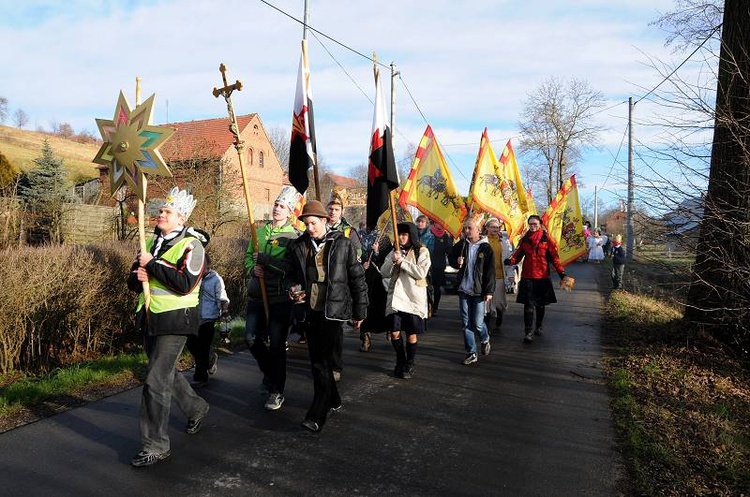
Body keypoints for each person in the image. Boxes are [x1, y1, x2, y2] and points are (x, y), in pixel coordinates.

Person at [127, 186, 209, 468]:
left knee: (155, 380)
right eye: (161, 210)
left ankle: (156, 445)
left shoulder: (192, 245)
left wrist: (151, 266)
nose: (160, 214)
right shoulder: (150, 244)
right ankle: (197, 408)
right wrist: (138, 275)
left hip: (176, 320)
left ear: (181, 218)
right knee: (166, 374)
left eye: (167, 211)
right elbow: (132, 283)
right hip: (150, 317)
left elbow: (186, 282)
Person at [286, 200, 368, 433]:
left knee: (321, 362)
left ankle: (317, 414)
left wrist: (360, 311)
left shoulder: (342, 243)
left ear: (324, 221)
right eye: (306, 223)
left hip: (334, 310)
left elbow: (356, 278)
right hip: (309, 309)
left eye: (313, 223)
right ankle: (333, 399)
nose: (310, 227)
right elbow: (291, 275)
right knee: (317, 359)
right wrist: (292, 288)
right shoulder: (298, 246)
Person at [244, 185, 301, 411]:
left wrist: (267, 262)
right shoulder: (258, 232)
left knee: (277, 345)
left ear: (289, 212)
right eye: (276, 204)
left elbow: (291, 268)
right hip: (257, 295)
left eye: (282, 206)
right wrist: (252, 269)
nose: (277, 208)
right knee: (250, 338)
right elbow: (249, 257)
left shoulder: (294, 237)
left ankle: (277, 390)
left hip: (279, 297)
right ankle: (270, 372)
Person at [504, 215, 568, 344]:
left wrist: (562, 273)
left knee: (540, 305)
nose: (533, 227)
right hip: (528, 276)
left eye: (535, 224)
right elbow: (517, 254)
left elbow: (554, 257)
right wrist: (510, 261)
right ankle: (528, 332)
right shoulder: (525, 239)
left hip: (542, 276)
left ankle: (539, 325)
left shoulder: (547, 239)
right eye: (531, 224)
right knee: (528, 305)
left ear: (540, 225)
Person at [380, 222, 431, 379]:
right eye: (399, 234)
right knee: (395, 332)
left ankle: (409, 363)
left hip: (413, 298)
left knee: (411, 332)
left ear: (411, 235)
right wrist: (393, 260)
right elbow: (384, 272)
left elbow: (421, 272)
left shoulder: (421, 251)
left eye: (404, 234)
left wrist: (403, 262)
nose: (401, 237)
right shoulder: (395, 251)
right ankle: (400, 359)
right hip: (396, 299)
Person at [448, 219, 495, 365]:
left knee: (478, 323)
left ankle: (485, 338)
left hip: (479, 292)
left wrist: (489, 291)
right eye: (465, 228)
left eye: (470, 228)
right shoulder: (462, 245)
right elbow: (451, 259)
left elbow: (490, 271)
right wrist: (457, 262)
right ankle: (471, 352)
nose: (467, 231)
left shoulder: (486, 248)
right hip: (464, 290)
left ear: (478, 229)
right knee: (466, 323)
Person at [326, 192, 362, 382]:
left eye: (336, 209)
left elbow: (357, 255)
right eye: (330, 209)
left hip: (340, 285)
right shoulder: (319, 227)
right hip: (322, 285)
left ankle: (335, 365)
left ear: (342, 211)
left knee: (336, 329)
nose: (332, 212)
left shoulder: (349, 231)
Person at [186, 253, 229, 388]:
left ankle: (200, 377)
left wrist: (223, 307)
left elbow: (222, 295)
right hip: (193, 317)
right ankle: (210, 359)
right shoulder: (193, 278)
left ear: (207, 267)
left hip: (209, 318)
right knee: (192, 344)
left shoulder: (216, 279)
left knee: (203, 348)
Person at [358, 228, 392, 352]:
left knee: (382, 308)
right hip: (365, 280)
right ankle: (365, 337)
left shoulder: (386, 239)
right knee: (366, 308)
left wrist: (377, 254)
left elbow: (388, 260)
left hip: (380, 280)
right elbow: (355, 253)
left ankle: (389, 329)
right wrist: (361, 265)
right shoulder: (360, 235)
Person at [416, 215, 453, 315]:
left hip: (438, 265)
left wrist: (451, 238)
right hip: (426, 264)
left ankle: (435, 307)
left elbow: (448, 251)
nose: (440, 224)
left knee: (437, 287)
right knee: (426, 287)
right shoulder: (428, 233)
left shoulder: (446, 235)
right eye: (438, 222)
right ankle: (426, 306)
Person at [482, 218, 508, 331]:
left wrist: (510, 274)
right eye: (492, 227)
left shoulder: (503, 242)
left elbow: (507, 259)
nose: (495, 229)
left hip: (499, 275)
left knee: (499, 301)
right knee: (486, 301)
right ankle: (486, 321)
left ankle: (499, 315)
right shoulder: (482, 241)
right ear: (487, 228)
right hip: (486, 276)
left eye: (497, 227)